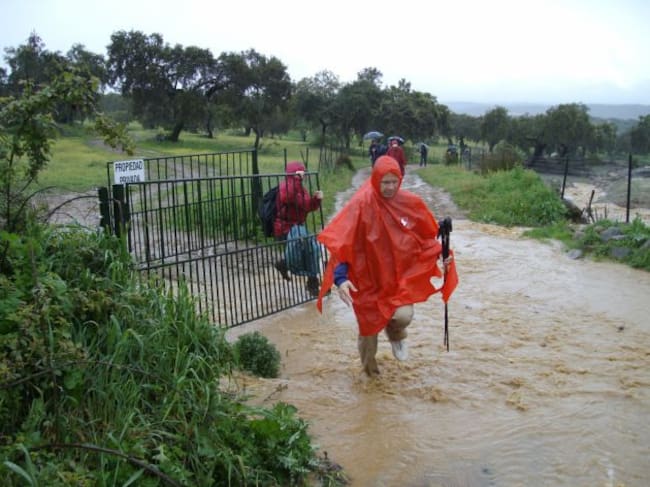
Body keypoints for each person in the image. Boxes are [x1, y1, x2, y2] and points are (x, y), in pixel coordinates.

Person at [316, 155, 458, 376]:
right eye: (385, 182)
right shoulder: (361, 206)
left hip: (396, 282)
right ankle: (371, 379)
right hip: (365, 283)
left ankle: (396, 336)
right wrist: (341, 279)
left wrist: (441, 254)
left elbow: (422, 239)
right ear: (375, 180)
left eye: (394, 182)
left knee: (403, 316)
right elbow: (344, 245)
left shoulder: (410, 204)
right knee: (368, 332)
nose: (390, 187)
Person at [273, 160, 323, 296]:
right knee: (303, 250)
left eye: (304, 172)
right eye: (301, 172)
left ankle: (311, 282)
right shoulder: (285, 187)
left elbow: (307, 206)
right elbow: (287, 198)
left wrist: (316, 200)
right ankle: (310, 281)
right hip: (285, 228)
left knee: (313, 249)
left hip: (298, 227)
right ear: (293, 174)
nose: (304, 175)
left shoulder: (301, 188)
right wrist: (295, 180)